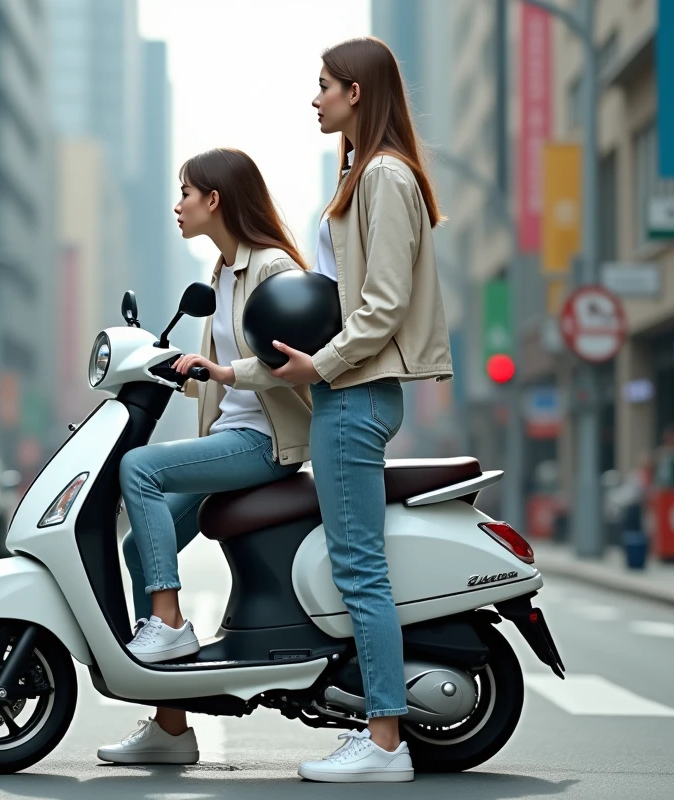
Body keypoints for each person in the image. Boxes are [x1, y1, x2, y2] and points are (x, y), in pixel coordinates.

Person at [259, 38, 453, 783]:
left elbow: (382, 305)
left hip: (357, 389)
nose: (316, 99)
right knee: (355, 566)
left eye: (325, 86)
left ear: (358, 94)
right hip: (347, 388)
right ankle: (375, 731)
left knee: (359, 571)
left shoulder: (382, 176)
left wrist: (323, 364)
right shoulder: (361, 173)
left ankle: (382, 744)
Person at [97, 148, 314, 766]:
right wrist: (178, 370)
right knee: (138, 547)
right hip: (231, 435)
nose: (177, 204)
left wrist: (220, 368)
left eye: (185, 192)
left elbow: (284, 361)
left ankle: (166, 626)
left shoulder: (269, 269)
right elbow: (219, 377)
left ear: (214, 199)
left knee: (139, 467)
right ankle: (171, 728)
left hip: (265, 443)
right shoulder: (221, 272)